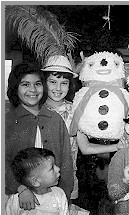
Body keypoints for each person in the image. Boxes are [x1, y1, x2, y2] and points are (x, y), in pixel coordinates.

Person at [5, 62, 73, 211]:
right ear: (15, 88)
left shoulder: (55, 120)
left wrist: (65, 197)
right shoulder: (7, 121)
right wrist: (20, 189)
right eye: (25, 84)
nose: (33, 90)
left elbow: (66, 162)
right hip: (17, 197)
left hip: (54, 198)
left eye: (37, 84)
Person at [41, 55, 79, 202]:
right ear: (44, 82)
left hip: (69, 176)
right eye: (52, 82)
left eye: (64, 83)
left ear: (70, 85)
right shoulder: (36, 110)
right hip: (39, 178)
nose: (58, 88)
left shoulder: (76, 110)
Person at [6, 147, 69, 215]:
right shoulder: (17, 200)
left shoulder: (59, 194)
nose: (58, 169)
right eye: (52, 168)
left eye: (55, 165)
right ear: (35, 181)